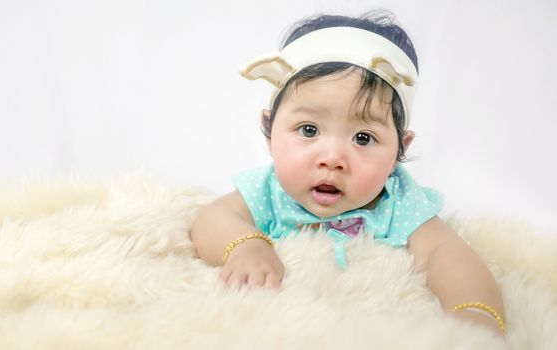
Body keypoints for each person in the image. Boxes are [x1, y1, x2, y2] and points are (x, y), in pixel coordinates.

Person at [190, 10, 505, 334]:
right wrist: (246, 245)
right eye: (309, 130)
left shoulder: (397, 203)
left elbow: (447, 252)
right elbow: (211, 218)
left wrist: (474, 313)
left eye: (363, 138)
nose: (333, 158)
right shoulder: (268, 189)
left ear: (400, 149)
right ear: (270, 132)